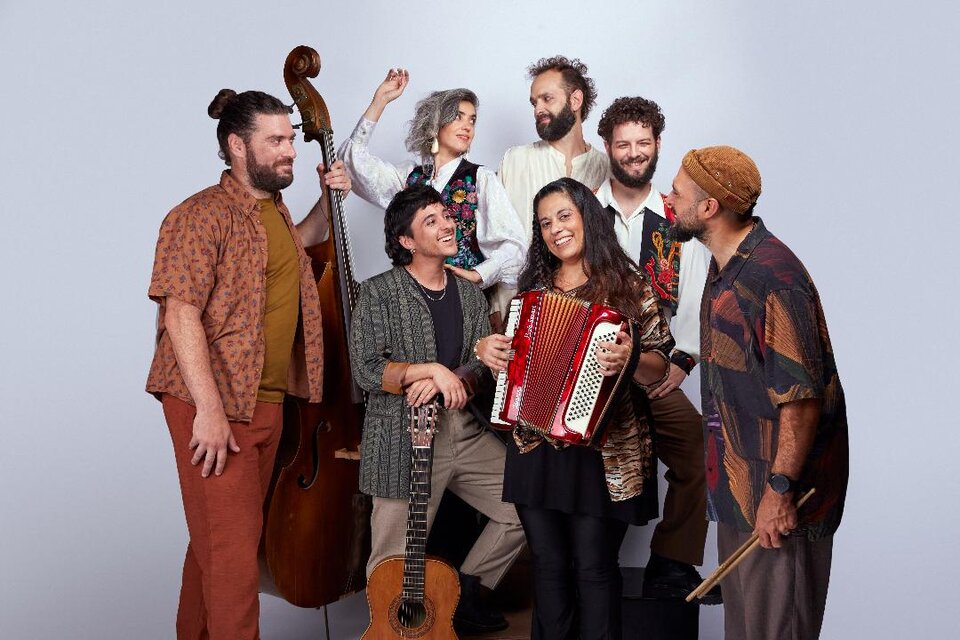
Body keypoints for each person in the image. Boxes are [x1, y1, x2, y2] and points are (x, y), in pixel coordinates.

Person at [146, 89, 351, 639]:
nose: (290, 150)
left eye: (290, 138)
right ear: (238, 146)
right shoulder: (198, 216)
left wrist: (327, 202)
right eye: (276, 140)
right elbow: (180, 315)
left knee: (218, 546)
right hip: (213, 405)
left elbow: (298, 249)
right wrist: (209, 412)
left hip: (266, 404)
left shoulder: (272, 212)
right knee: (235, 560)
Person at [475, 178, 674, 640]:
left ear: (589, 218)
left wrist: (631, 358)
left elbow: (660, 368)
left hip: (603, 454)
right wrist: (487, 349)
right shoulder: (532, 291)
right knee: (547, 565)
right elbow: (512, 366)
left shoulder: (630, 287)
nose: (555, 229)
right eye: (545, 223)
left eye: (564, 216)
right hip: (534, 448)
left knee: (593, 567)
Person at [665, 145, 849, 639]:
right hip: (739, 492)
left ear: (709, 207)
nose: (668, 198)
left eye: (677, 192)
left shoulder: (774, 278)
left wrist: (780, 492)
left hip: (779, 501)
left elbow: (802, 400)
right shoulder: (724, 267)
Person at [348, 184, 525, 634]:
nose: (447, 224)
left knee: (523, 503)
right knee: (393, 559)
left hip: (463, 430)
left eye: (446, 215)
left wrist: (460, 373)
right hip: (401, 438)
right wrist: (427, 370)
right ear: (406, 240)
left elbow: (477, 366)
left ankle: (461, 595)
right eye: (431, 221)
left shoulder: (468, 294)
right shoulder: (378, 293)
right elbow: (365, 369)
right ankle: (391, 633)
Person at [594, 97, 717, 601]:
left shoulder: (676, 216)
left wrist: (683, 360)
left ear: (658, 144)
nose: (634, 152)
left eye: (643, 142)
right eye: (623, 143)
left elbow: (696, 290)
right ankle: (591, 568)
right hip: (593, 369)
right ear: (607, 147)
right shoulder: (583, 209)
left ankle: (671, 561)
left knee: (698, 451)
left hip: (652, 367)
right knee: (593, 468)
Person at [339, 68, 526, 329]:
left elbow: (515, 247)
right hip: (411, 305)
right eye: (458, 117)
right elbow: (351, 163)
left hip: (463, 307)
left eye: (472, 120)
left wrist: (478, 274)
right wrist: (379, 101)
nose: (467, 126)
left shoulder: (480, 178)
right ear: (436, 123)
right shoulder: (409, 176)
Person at [498, 56, 609, 246]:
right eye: (534, 103)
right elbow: (494, 236)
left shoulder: (608, 168)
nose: (538, 110)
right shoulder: (514, 161)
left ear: (575, 100)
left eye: (547, 99)